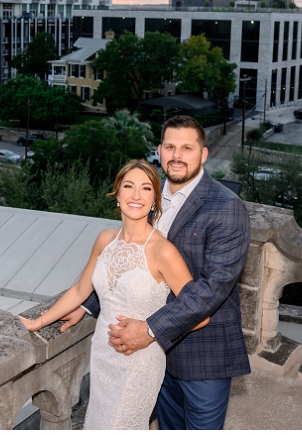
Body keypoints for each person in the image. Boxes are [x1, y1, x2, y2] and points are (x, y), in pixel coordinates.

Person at [60, 115, 251, 430]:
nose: (177, 155)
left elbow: (211, 290)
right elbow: (129, 262)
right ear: (160, 151)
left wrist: (148, 330)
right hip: (157, 359)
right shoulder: (148, 195)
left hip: (203, 353)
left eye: (187, 148)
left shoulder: (226, 207)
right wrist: (87, 304)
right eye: (170, 147)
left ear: (203, 154)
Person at [19, 159, 208, 430]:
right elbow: (80, 290)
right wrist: (38, 323)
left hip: (140, 361)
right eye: (128, 186)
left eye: (145, 188)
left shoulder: (162, 251)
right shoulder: (104, 239)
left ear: (155, 200)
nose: (136, 195)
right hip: (105, 354)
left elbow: (199, 314)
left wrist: (151, 331)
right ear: (117, 195)